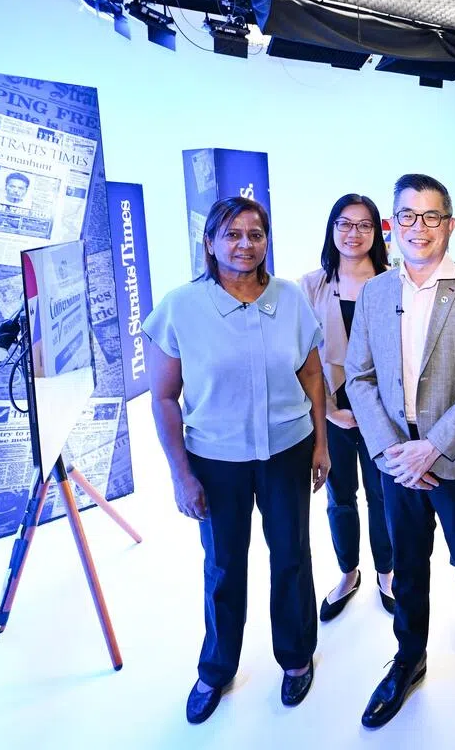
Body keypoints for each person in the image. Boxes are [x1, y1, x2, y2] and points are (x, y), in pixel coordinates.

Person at [144, 196, 327, 724]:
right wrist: (181, 475)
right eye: (232, 234)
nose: (245, 244)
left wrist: (321, 443)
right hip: (216, 459)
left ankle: (295, 658)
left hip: (287, 450)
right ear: (209, 243)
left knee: (291, 555)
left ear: (267, 241)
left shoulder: (290, 298)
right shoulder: (181, 306)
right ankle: (217, 667)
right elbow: (163, 398)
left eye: (256, 234)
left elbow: (312, 375)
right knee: (224, 565)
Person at [346, 174, 455, 740]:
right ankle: (408, 660)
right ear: (394, 223)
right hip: (396, 461)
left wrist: (434, 445)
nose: (419, 227)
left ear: (450, 224)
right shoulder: (374, 292)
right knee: (408, 569)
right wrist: (395, 449)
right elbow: (360, 378)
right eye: (407, 216)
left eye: (431, 216)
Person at [299, 194, 395, 623]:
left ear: (376, 232)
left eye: (364, 225)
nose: (354, 233)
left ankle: (387, 573)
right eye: (345, 224)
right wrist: (331, 412)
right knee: (340, 497)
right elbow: (302, 357)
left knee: (383, 496)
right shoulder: (310, 285)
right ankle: (348, 571)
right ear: (332, 229)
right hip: (331, 409)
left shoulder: (394, 280)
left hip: (384, 411)